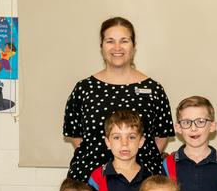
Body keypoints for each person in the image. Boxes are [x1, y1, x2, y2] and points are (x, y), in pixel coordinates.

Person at [63, 16, 174, 182]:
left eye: (124, 41)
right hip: (89, 180)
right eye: (110, 41)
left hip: (142, 183)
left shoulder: (153, 90)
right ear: (101, 46)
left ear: (133, 46)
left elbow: (161, 137)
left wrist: (131, 163)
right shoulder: (84, 89)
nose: (117, 47)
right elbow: (76, 135)